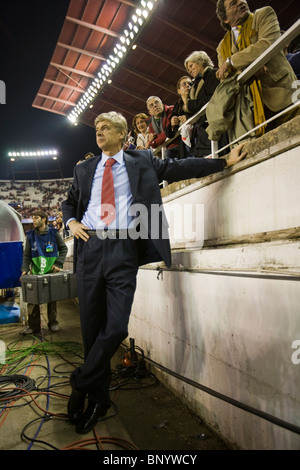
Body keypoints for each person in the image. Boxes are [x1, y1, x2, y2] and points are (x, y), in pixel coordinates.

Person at [62, 110, 247, 435]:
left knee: (116, 327)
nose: (99, 132)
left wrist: (224, 161)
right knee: (92, 331)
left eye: (106, 127)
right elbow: (69, 202)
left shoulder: (142, 160)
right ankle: (98, 399)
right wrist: (72, 221)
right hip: (90, 248)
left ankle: (80, 380)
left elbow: (180, 167)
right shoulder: (83, 169)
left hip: (122, 248)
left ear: (122, 135)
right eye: (96, 128)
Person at [209, 0, 299, 141]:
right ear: (225, 18)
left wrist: (231, 62)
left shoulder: (263, 14)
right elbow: (224, 77)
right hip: (252, 112)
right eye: (233, 3)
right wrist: (249, 71)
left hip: (285, 94)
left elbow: (267, 43)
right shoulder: (222, 47)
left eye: (241, 0)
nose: (241, 2)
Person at [21, 210, 68, 335]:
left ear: (44, 219)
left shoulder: (54, 233)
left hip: (51, 272)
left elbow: (64, 248)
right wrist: (25, 269)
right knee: (33, 300)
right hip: (36, 272)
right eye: (33, 218)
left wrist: (58, 264)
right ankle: (33, 326)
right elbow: (27, 255)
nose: (33, 220)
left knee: (52, 299)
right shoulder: (30, 235)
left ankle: (53, 323)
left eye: (36, 218)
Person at [183, 51, 228, 156]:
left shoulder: (213, 74)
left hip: (210, 126)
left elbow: (210, 98)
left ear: (201, 61)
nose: (189, 70)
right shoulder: (196, 85)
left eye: (191, 65)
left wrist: (188, 105)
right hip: (201, 133)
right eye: (188, 69)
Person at [165, 76, 193, 158]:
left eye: (190, 84)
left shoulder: (196, 97)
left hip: (196, 135)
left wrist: (187, 117)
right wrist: (172, 124)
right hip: (183, 142)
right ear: (179, 91)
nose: (188, 85)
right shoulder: (177, 106)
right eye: (184, 84)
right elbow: (169, 134)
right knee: (168, 153)